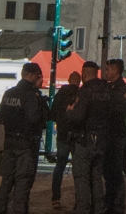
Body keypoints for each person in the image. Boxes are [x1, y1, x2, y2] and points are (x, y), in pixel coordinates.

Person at [0, 62, 49, 214]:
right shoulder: (31, 95)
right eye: (37, 76)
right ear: (31, 76)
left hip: (9, 141)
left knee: (6, 181)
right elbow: (34, 119)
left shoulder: (10, 93)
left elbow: (0, 115)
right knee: (22, 183)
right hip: (25, 144)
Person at [68, 61, 108, 214]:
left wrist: (70, 111)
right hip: (101, 139)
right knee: (97, 178)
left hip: (85, 140)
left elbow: (78, 116)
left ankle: (83, 210)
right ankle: (98, 209)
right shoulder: (105, 90)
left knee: (82, 178)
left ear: (84, 74)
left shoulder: (85, 91)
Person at [102, 58, 126, 214]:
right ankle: (110, 202)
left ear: (115, 71)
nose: (106, 72)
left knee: (115, 171)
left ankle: (117, 205)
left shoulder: (122, 88)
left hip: (116, 134)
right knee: (108, 171)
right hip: (107, 134)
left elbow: (123, 110)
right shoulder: (108, 87)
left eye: (108, 69)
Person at [49, 72, 83, 210]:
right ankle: (79, 200)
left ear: (69, 80)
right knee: (79, 169)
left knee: (59, 167)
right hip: (76, 135)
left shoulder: (60, 94)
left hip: (62, 135)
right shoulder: (81, 94)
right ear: (79, 81)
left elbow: (52, 113)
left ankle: (55, 198)